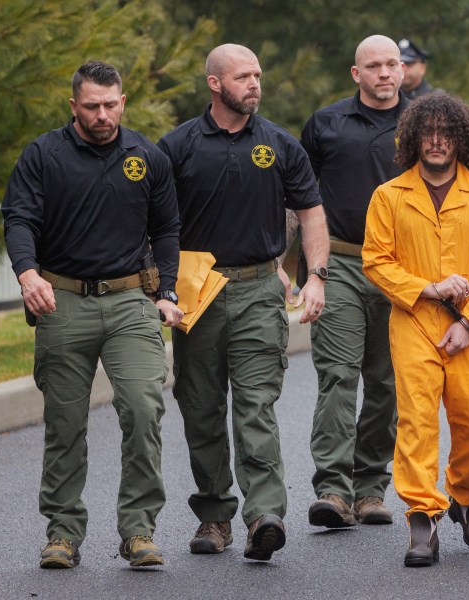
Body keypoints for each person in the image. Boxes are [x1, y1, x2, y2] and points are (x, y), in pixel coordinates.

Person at [1, 60, 184, 570]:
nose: (102, 115)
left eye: (110, 105)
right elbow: (19, 218)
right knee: (65, 422)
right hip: (62, 300)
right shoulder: (43, 155)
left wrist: (166, 291)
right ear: (73, 106)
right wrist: (27, 273)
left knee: (145, 409)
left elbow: (167, 228)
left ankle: (138, 530)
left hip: (131, 301)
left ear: (123, 102)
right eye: (91, 106)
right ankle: (62, 533)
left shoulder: (147, 156)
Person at [157, 43, 329, 562]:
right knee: (201, 406)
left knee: (256, 404)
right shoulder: (178, 146)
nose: (255, 83)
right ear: (215, 83)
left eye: (258, 74)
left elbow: (312, 213)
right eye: (243, 76)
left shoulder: (278, 143)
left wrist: (314, 276)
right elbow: (153, 221)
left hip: (258, 287)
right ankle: (215, 516)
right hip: (198, 290)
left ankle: (263, 516)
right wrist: (160, 287)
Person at [362, 93, 469, 567]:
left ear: (460, 139)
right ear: (412, 139)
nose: (435, 141)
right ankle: (422, 519)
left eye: (445, 133)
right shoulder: (389, 196)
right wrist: (427, 288)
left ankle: (467, 498)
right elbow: (376, 261)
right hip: (414, 321)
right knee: (417, 423)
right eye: (427, 133)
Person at [298, 34, 408, 529]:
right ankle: (333, 490)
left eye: (392, 64)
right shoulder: (326, 123)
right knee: (339, 376)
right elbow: (299, 201)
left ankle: (370, 488)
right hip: (340, 260)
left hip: (404, 271)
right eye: (374, 66)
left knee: (386, 384)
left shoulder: (426, 121)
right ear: (355, 73)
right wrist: (292, 271)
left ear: (402, 70)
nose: (385, 73)